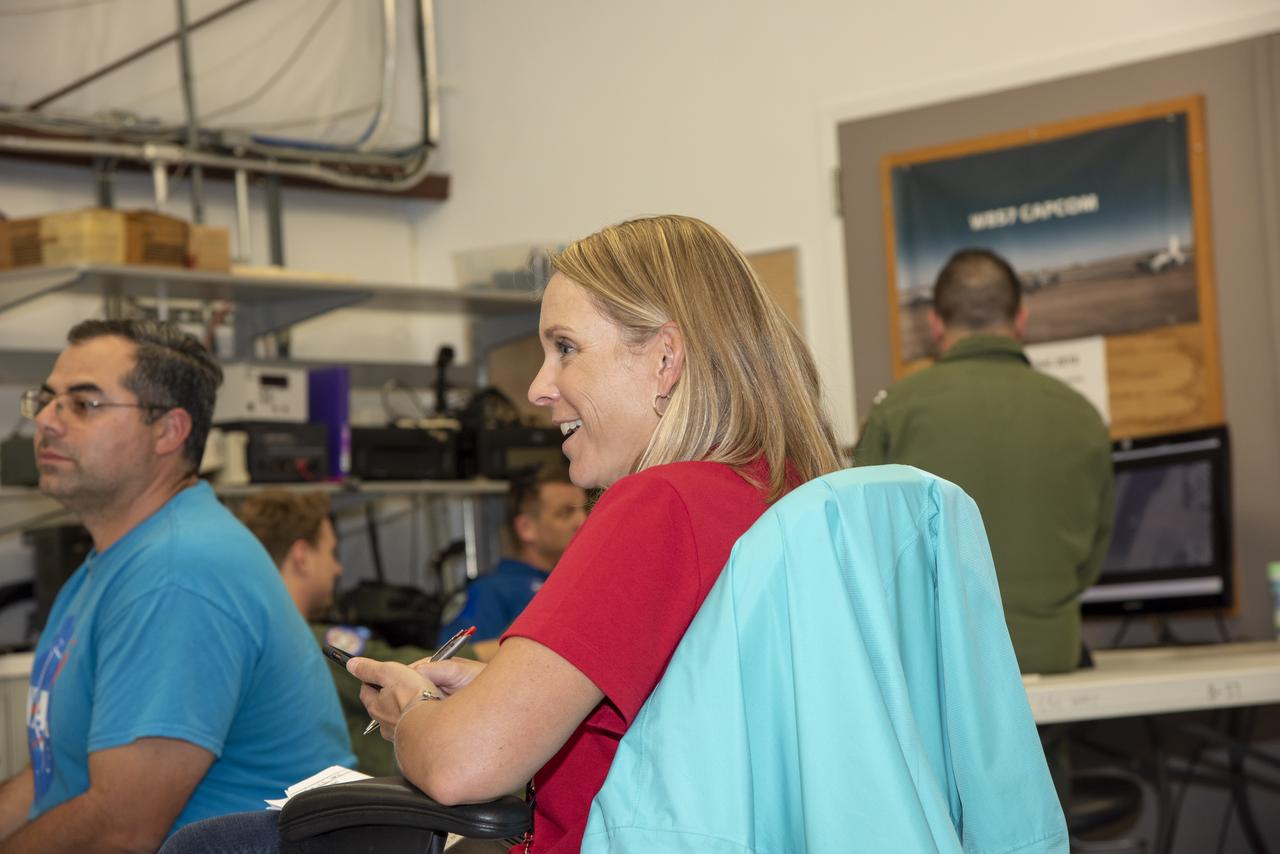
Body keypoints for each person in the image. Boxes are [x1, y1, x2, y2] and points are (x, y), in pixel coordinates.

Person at [159, 213, 844, 854]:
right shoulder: (780, 490)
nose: (540, 387)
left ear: (665, 358)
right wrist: (504, 693)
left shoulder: (661, 503)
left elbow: (464, 766)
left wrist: (417, 712)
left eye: (566, 349)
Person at [0, 319, 353, 851]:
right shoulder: (114, 562)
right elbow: (53, 770)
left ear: (168, 431)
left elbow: (121, 829)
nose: (46, 421)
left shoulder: (177, 572)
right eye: (47, 399)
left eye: (83, 403)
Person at [853, 247, 1114, 803]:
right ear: (1020, 320)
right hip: (1047, 660)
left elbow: (861, 555)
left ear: (935, 324)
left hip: (936, 672)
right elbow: (1092, 558)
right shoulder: (1082, 416)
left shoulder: (896, 411)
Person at [235, 488, 434, 777]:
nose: (338, 568)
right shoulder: (308, 644)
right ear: (301, 555)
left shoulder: (251, 639)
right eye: (330, 552)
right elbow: (398, 667)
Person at [436, 467, 587, 660]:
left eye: (586, 509)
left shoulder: (580, 583)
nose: (583, 521)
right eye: (565, 513)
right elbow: (447, 666)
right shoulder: (489, 592)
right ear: (526, 528)